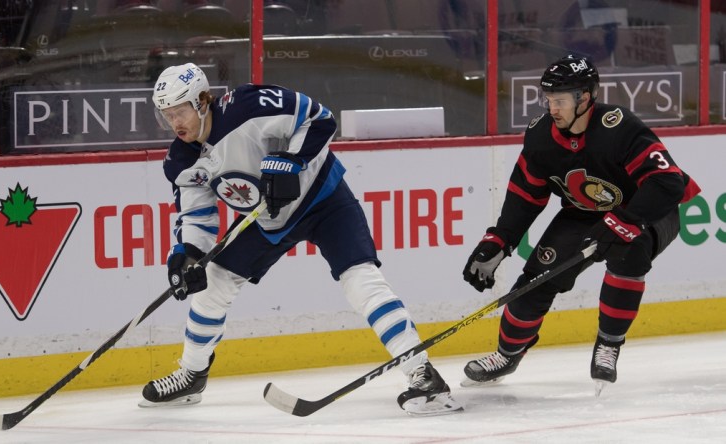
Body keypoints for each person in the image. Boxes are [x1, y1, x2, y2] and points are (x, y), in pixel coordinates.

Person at [139, 62, 463, 416]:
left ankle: (423, 376)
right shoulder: (180, 160)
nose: (175, 123)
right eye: (166, 115)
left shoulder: (248, 106)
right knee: (213, 281)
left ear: (202, 101)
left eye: (180, 111)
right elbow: (197, 215)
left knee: (361, 281)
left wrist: (291, 162)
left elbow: (320, 119)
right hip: (267, 219)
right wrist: (188, 254)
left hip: (324, 199)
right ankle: (192, 375)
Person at [460, 55, 700, 395]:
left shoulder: (619, 128)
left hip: (648, 211)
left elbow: (667, 183)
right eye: (548, 100)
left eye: (559, 101)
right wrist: (500, 240)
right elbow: (525, 195)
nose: (551, 108)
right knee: (536, 280)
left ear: (585, 98)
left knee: (630, 250)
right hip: (584, 213)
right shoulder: (541, 137)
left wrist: (624, 222)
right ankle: (507, 354)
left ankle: (609, 344)